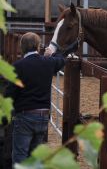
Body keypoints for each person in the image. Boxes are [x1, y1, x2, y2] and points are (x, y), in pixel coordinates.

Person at [5, 32, 65, 166]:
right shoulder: (48, 62)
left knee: (20, 155)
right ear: (38, 46)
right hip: (43, 116)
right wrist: (52, 53)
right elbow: (62, 59)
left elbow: (10, 94)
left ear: (22, 47)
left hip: (24, 116)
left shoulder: (18, 66)